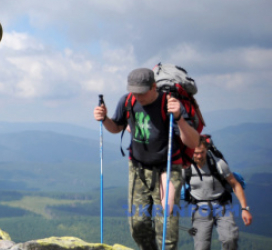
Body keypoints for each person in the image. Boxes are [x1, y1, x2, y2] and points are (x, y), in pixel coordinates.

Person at [94, 68, 200, 250]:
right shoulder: (127, 101)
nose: (137, 96)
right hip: (137, 168)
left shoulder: (169, 104)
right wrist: (104, 119)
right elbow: (117, 127)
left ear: (153, 86)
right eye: (134, 91)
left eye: (141, 92)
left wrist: (180, 118)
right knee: (138, 225)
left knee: (166, 227)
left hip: (167, 169)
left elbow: (193, 141)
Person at [187, 136, 252, 250]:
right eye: (196, 153)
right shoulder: (185, 167)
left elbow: (235, 185)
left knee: (230, 239)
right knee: (201, 247)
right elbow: (173, 186)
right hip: (199, 208)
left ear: (206, 149)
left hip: (222, 206)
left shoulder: (218, 163)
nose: (199, 156)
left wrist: (244, 209)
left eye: (202, 152)